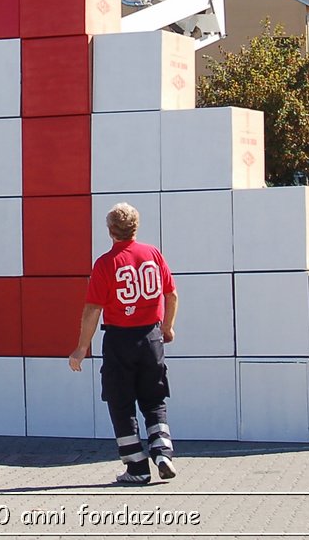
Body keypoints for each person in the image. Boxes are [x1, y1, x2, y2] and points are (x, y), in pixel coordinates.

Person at [70, 202, 179, 486]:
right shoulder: (152, 254)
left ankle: (137, 467)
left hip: (120, 340)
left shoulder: (106, 263)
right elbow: (172, 295)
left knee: (121, 403)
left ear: (110, 231)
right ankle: (162, 449)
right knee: (154, 399)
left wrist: (82, 348)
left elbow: (93, 309)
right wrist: (167, 328)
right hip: (152, 338)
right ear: (135, 227)